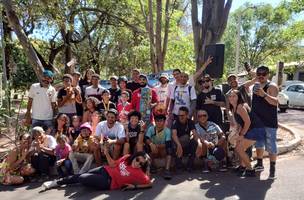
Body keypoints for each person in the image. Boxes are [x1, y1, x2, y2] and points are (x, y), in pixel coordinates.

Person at [43, 151, 152, 191]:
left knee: (81, 178)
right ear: (135, 156)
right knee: (81, 175)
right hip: (104, 169)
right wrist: (106, 153)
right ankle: (56, 183)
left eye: (141, 163)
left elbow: (149, 183)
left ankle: (59, 182)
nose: (138, 163)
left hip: (109, 182)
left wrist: (135, 187)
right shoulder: (127, 157)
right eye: (138, 159)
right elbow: (113, 164)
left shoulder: (139, 174)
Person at [228, 89, 266, 177]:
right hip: (250, 129)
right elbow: (240, 123)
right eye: (230, 96)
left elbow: (248, 122)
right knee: (239, 146)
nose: (231, 98)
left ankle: (250, 169)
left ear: (239, 97)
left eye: (234, 96)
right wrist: (237, 133)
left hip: (256, 130)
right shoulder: (233, 108)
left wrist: (241, 135)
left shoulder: (240, 107)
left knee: (239, 149)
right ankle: (242, 167)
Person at [251, 66, 279, 179]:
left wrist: (264, 94)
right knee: (258, 144)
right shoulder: (255, 85)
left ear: (268, 75)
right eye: (259, 73)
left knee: (271, 146)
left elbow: (276, 102)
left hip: (269, 122)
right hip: (258, 122)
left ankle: (272, 169)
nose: (261, 75)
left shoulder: (272, 86)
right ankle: (260, 163)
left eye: (264, 73)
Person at [171, 106, 199, 171]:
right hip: (177, 145)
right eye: (179, 115)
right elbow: (174, 135)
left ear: (187, 115)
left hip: (186, 144)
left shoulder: (190, 122)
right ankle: (178, 165)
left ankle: (190, 164)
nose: (180, 117)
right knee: (174, 142)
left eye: (182, 115)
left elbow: (195, 134)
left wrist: (199, 143)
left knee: (194, 142)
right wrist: (179, 145)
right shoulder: (175, 122)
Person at [145, 114, 172, 179]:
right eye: (157, 121)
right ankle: (152, 166)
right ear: (155, 121)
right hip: (154, 151)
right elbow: (146, 138)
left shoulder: (167, 130)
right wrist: (151, 144)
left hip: (163, 151)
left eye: (161, 121)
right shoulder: (151, 129)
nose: (159, 122)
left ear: (164, 121)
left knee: (169, 149)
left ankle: (167, 170)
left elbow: (168, 144)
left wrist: (156, 146)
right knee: (147, 147)